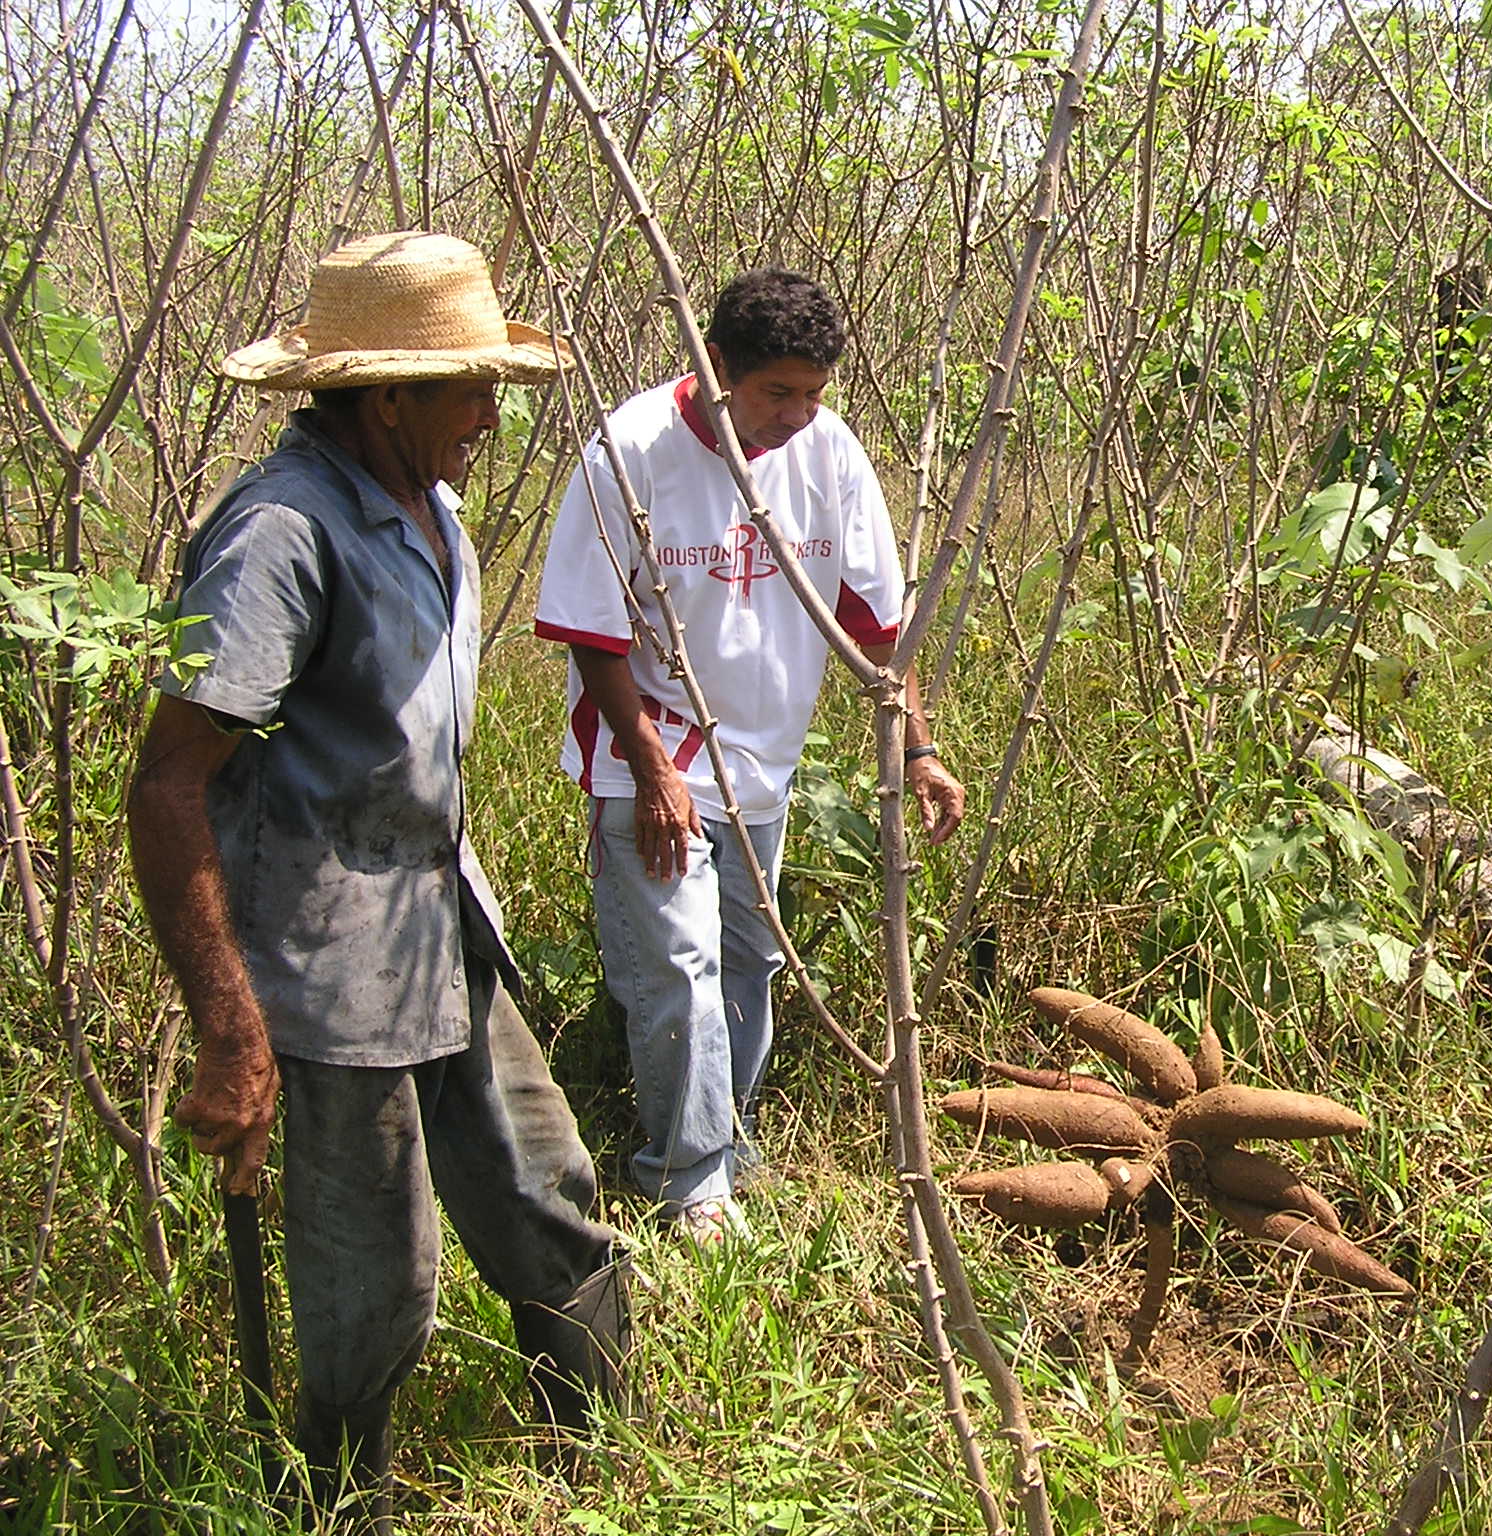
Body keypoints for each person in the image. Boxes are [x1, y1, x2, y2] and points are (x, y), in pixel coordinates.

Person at [127, 231, 627, 1530]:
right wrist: (231, 1030)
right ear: (385, 394)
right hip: (323, 954)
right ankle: (346, 1505)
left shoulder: (430, 503)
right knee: (373, 1281)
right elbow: (170, 781)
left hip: (441, 917)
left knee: (543, 1187)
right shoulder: (277, 534)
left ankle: (611, 1463)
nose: (487, 416)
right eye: (466, 389)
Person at [533, 267, 966, 1244]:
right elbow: (592, 637)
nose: (797, 414)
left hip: (762, 759)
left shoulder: (829, 453)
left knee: (746, 958)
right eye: (777, 392)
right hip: (649, 752)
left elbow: (872, 629)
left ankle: (726, 1145)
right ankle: (685, 1184)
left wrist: (919, 750)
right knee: (678, 966)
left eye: (813, 393)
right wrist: (648, 774)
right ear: (714, 364)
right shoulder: (628, 452)